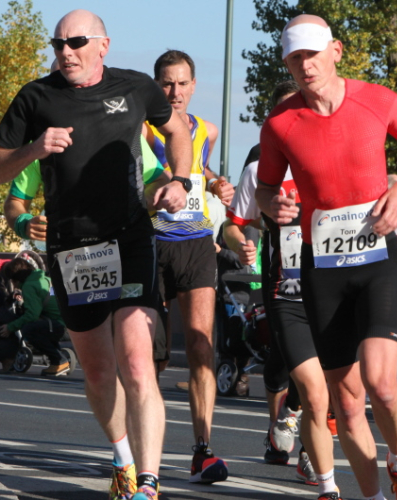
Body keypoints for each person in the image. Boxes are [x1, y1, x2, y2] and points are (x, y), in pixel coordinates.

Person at [0, 10, 193, 500]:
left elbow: (178, 131)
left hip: (129, 238)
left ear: (103, 45)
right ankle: (123, 460)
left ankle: (148, 484)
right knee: (98, 371)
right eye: (57, 44)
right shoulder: (36, 97)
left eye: (76, 42)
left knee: (137, 362)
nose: (65, 51)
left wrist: (181, 181)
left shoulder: (135, 87)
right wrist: (35, 148)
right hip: (73, 251)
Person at [256, 15, 397, 500]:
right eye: (295, 58)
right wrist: (274, 206)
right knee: (348, 402)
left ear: (335, 51)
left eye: (312, 54)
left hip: (376, 259)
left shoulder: (376, 100)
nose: (305, 66)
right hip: (322, 269)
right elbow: (265, 189)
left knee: (381, 383)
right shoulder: (280, 124)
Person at [226, 80, 339, 496]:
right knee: (295, 369)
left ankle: (300, 431)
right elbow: (234, 224)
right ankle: (296, 434)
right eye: (284, 115)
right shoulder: (258, 171)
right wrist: (240, 245)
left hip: (328, 283)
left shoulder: (332, 160)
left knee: (326, 373)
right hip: (283, 287)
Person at [147, 49, 233, 484]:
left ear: (194, 86)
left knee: (201, 346)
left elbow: (201, 167)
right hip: (153, 245)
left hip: (197, 242)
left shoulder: (207, 129)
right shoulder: (143, 129)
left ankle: (203, 449)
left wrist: (216, 182)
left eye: (182, 83)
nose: (174, 92)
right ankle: (144, 452)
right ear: (155, 85)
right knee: (152, 358)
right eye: (167, 83)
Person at [1, 256, 69, 376]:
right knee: (41, 325)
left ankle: (59, 361)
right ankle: (59, 358)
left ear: (15, 279)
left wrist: (10, 327)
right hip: (67, 323)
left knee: (30, 329)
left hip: (60, 326)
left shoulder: (29, 286)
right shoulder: (44, 278)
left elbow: (32, 315)